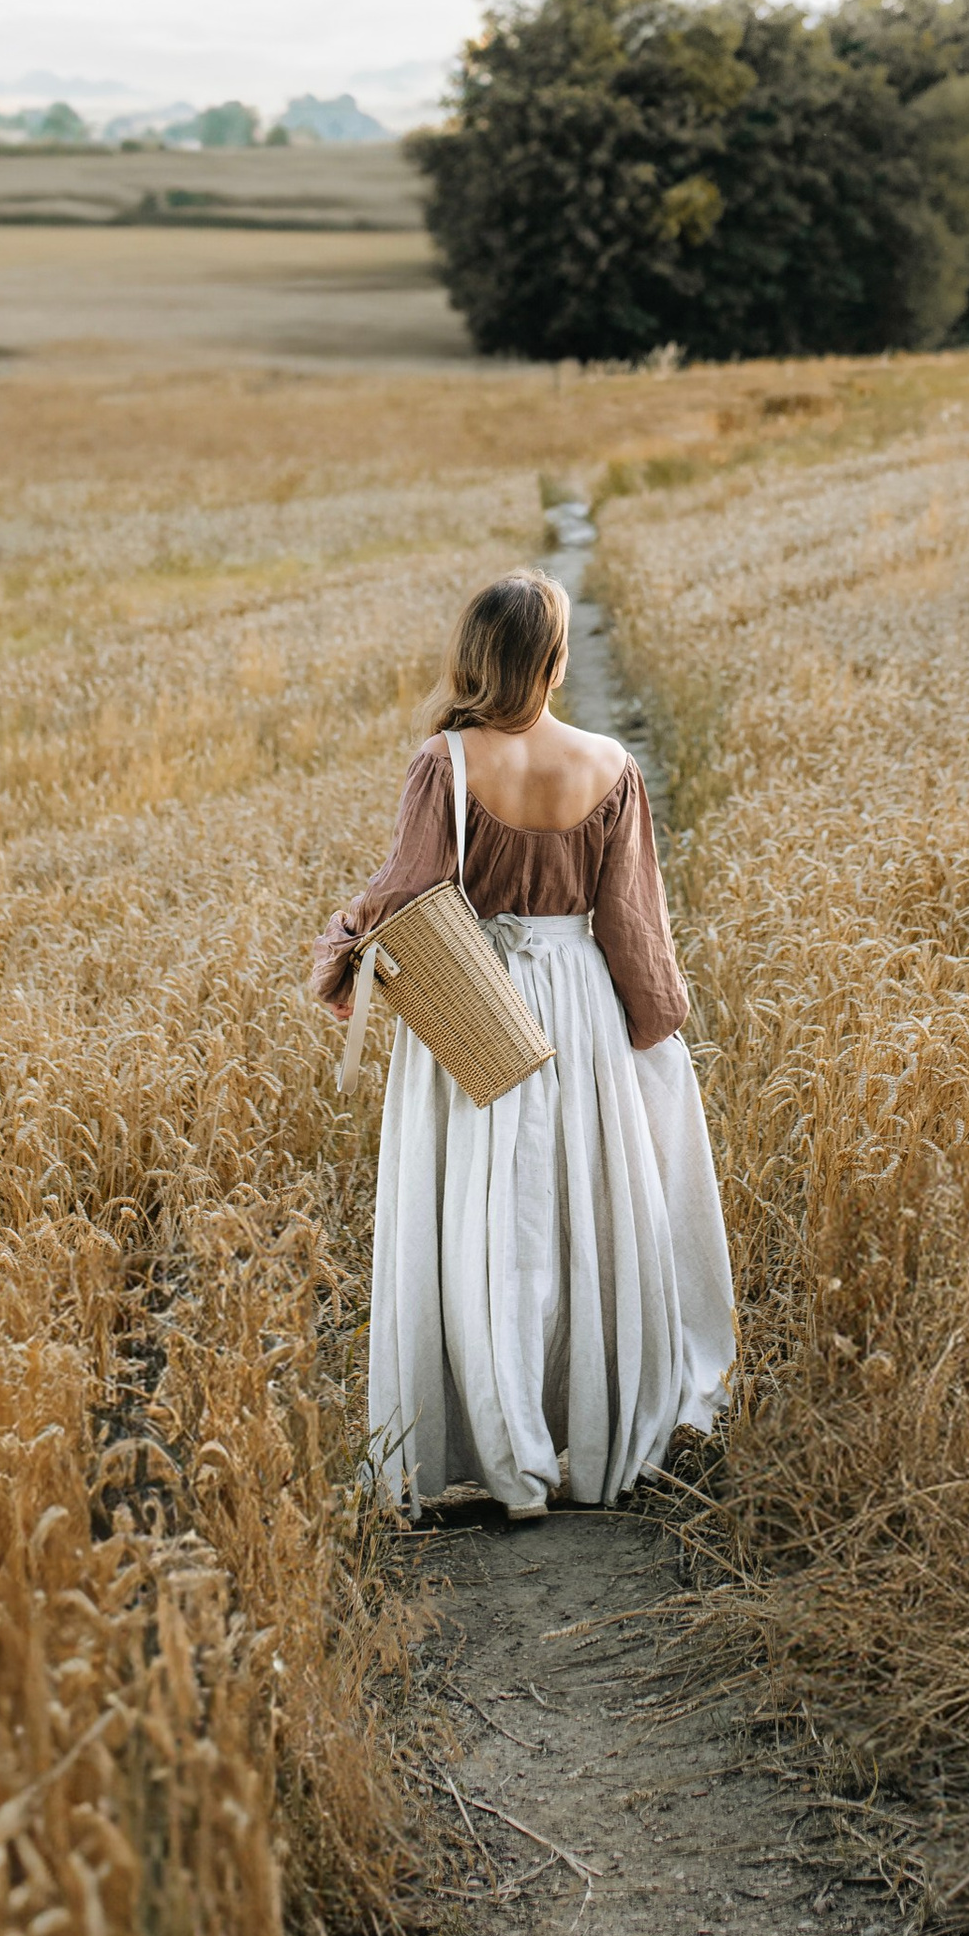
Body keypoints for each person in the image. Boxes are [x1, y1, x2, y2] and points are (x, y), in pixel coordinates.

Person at [311, 568, 734, 1519]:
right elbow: (632, 926)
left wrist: (343, 948)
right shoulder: (612, 765)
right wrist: (653, 1033)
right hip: (579, 1003)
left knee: (488, 1216)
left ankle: (504, 1443)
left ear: (475, 657)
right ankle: (586, 1427)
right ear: (549, 659)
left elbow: (408, 889)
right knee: (581, 1203)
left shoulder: (446, 763)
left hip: (477, 999)